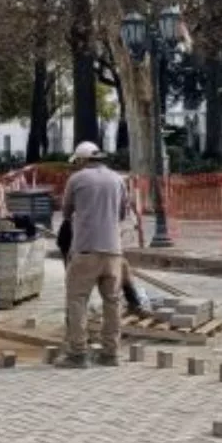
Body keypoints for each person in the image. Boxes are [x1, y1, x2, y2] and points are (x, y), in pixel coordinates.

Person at [60, 141, 130, 368]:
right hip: (113, 251)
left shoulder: (76, 179)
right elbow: (122, 214)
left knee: (77, 299)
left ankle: (78, 353)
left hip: (85, 250)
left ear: (82, 159)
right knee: (112, 301)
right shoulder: (118, 179)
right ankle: (111, 353)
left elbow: (66, 212)